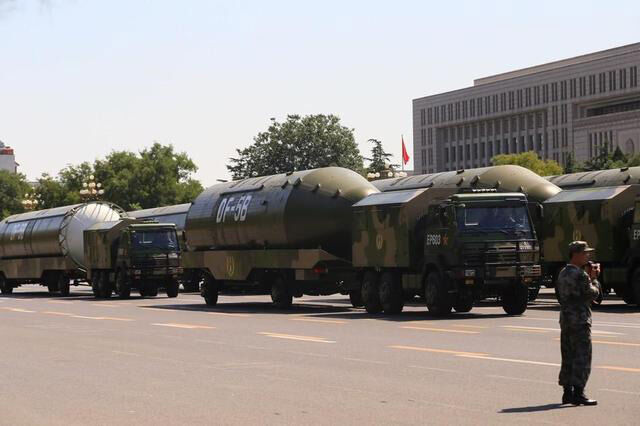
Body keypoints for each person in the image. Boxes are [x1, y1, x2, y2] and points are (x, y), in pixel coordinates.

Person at [555, 241, 601, 406]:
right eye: (585, 253)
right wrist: (594, 279)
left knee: (568, 356)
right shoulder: (581, 275)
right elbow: (592, 294)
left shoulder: (562, 273)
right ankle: (579, 393)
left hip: (566, 319)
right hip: (580, 320)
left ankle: (567, 392)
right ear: (576, 254)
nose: (587, 256)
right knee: (582, 356)